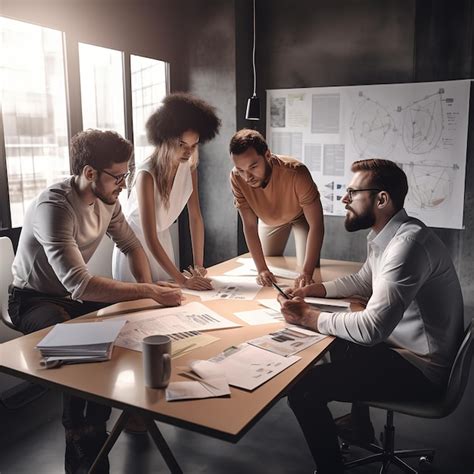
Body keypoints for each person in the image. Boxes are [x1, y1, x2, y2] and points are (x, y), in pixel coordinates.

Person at [9, 129, 183, 474]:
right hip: (32, 299)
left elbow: (132, 247)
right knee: (77, 348)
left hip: (71, 297)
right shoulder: (54, 207)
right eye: (118, 176)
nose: (124, 183)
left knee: (128, 325)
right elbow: (80, 284)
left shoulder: (108, 202)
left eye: (126, 174)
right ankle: (78, 435)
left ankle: (101, 421)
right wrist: (149, 291)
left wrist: (147, 292)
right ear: (90, 173)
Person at [278, 158, 464, 473]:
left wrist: (308, 317)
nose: (343, 199)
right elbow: (364, 280)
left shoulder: (408, 246)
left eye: (352, 192)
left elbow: (372, 330)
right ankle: (360, 426)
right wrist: (315, 291)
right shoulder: (390, 234)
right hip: (405, 349)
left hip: (422, 372)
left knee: (303, 391)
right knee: (336, 342)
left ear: (381, 199)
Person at [112, 92, 221, 291]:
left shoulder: (189, 168)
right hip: (137, 244)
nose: (188, 152)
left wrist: (199, 265)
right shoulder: (146, 174)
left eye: (193, 145)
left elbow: (195, 217)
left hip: (162, 241)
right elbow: (149, 236)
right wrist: (183, 280)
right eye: (181, 145)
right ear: (165, 140)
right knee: (140, 307)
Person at [229, 129, 324, 288]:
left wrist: (307, 272)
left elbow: (317, 225)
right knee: (269, 267)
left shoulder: (297, 173)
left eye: (253, 167)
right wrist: (262, 270)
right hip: (270, 218)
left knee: (309, 271)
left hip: (301, 216)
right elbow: (250, 226)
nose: (247, 177)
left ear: (267, 155)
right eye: (241, 170)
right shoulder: (236, 178)